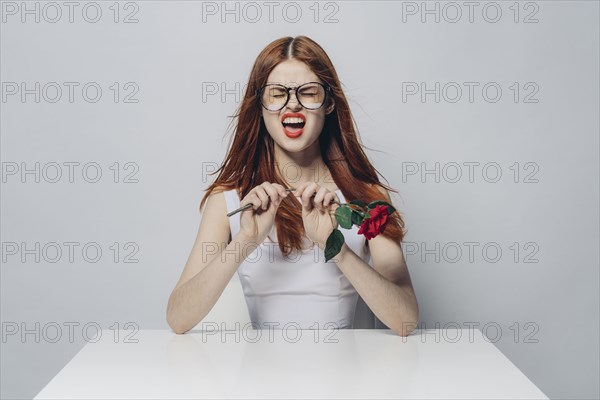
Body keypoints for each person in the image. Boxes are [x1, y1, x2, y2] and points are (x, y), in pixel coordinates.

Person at [166, 36, 418, 336]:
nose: (293, 104)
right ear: (259, 105)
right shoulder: (230, 200)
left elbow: (406, 320)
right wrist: (245, 240)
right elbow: (178, 318)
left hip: (344, 377)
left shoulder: (368, 198)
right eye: (277, 94)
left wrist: (334, 247)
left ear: (329, 104)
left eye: (308, 92)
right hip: (259, 379)